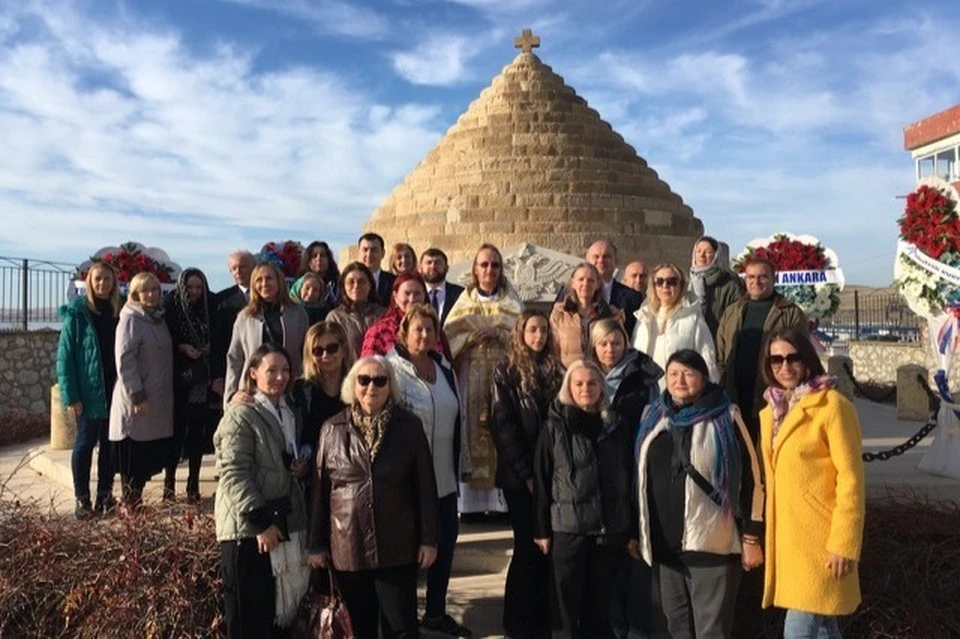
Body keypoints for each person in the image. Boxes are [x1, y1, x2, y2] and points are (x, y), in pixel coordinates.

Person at [635, 349, 764, 639]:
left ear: (704, 378)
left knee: (711, 632)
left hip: (710, 546)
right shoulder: (654, 415)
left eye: (689, 373)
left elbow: (753, 479)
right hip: (666, 549)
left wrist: (752, 534)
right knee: (676, 629)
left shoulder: (726, 417)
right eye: (673, 373)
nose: (680, 380)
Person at [307, 356, 440, 639]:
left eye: (380, 380)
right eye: (363, 380)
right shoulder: (332, 429)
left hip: (396, 546)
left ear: (390, 386)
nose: (371, 387)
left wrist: (429, 538)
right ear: (352, 385)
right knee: (359, 629)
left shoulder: (410, 427)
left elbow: (425, 487)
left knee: (402, 628)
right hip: (349, 548)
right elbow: (320, 491)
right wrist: (315, 544)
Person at [759, 328, 865, 639]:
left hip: (822, 541)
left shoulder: (832, 406)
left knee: (799, 629)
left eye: (793, 358)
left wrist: (844, 542)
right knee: (823, 628)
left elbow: (851, 479)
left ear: (807, 360)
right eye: (776, 359)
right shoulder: (770, 413)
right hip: (789, 541)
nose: (785, 366)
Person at [533, 359, 635, 639]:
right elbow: (542, 480)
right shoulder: (554, 427)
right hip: (569, 529)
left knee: (599, 609)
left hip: (606, 530)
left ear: (602, 387)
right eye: (578, 383)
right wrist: (541, 529)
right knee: (565, 608)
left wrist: (631, 527)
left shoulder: (616, 426)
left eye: (592, 383)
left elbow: (628, 475)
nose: (585, 389)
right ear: (569, 388)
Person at [387, 305, 472, 637]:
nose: (424, 335)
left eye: (430, 330)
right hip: (405, 483)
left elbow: (456, 417)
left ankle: (436, 613)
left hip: (444, 479)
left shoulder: (444, 368)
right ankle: (405, 621)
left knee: (445, 547)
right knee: (407, 556)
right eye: (417, 329)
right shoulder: (390, 369)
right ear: (404, 333)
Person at [214, 343, 311, 637]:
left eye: (285, 370)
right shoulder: (241, 414)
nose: (280, 377)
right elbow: (232, 471)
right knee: (248, 621)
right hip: (248, 532)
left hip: (281, 523)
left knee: (276, 618)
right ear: (253, 374)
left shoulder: (289, 411)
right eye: (272, 370)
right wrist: (259, 522)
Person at [490, 309, 564, 639]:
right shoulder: (505, 372)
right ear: (521, 332)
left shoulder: (555, 371)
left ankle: (543, 617)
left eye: (543, 330)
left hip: (551, 473)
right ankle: (517, 622)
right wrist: (526, 472)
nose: (538, 336)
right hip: (520, 476)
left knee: (547, 546)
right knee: (526, 546)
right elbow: (503, 425)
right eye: (532, 330)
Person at [589, 318, 663, 639]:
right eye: (603, 343)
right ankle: (613, 624)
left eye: (615, 342)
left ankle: (637, 627)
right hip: (597, 477)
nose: (609, 349)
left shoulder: (642, 376)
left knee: (633, 552)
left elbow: (654, 419)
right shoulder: (586, 376)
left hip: (633, 469)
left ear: (625, 343)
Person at [444, 243, 524, 514]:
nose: (490, 270)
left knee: (503, 431)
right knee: (473, 431)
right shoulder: (464, 304)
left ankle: (501, 503)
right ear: (475, 270)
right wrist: (469, 339)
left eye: (495, 265)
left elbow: (525, 337)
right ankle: (472, 505)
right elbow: (448, 337)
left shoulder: (513, 304)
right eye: (484, 265)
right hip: (472, 378)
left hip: (504, 379)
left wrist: (500, 335)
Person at [716, 257, 807, 441]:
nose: (755, 282)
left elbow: (801, 358)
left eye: (762, 277)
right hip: (736, 398)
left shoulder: (790, 313)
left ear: (773, 279)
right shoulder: (732, 312)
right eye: (750, 277)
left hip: (774, 399)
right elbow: (720, 355)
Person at [57, 261, 121, 519]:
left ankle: (105, 496)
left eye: (107, 279)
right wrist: (71, 396)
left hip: (114, 392)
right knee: (84, 445)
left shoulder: (120, 311)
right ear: (90, 282)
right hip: (89, 393)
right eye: (97, 279)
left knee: (109, 448)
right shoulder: (78, 314)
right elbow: (65, 357)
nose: (102, 283)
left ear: (114, 282)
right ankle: (82, 499)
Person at [109, 272, 174, 512]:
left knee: (146, 458)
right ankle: (130, 504)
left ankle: (135, 502)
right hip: (137, 400)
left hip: (157, 401)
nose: (151, 295)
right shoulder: (130, 319)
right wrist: (136, 394)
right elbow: (125, 360)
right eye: (145, 291)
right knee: (133, 458)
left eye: (155, 290)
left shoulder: (157, 318)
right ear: (136, 294)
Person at [164, 267, 218, 503]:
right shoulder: (171, 306)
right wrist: (182, 347)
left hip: (201, 382)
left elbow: (219, 335)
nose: (195, 292)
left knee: (197, 434)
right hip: (178, 379)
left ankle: (193, 485)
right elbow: (166, 338)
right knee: (175, 435)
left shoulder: (210, 307)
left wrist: (209, 348)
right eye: (191, 287)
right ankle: (168, 486)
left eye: (199, 287)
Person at [224, 262, 310, 405]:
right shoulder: (245, 317)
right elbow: (234, 358)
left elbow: (306, 354)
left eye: (269, 278)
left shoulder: (298, 313)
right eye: (259, 280)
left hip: (289, 390)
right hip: (253, 393)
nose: (264, 283)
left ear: (279, 281)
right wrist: (231, 394)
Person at [631, 263, 718, 389]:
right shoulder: (644, 316)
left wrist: (711, 390)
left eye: (671, 281)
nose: (665, 286)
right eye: (659, 281)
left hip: (681, 390)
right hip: (648, 391)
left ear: (681, 285)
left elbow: (707, 357)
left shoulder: (692, 317)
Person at [551, 263, 620, 368]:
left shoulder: (609, 314)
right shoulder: (560, 314)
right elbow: (552, 348)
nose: (586, 284)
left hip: (601, 377)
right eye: (581, 279)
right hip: (569, 377)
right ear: (573, 283)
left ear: (597, 284)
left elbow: (620, 348)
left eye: (591, 280)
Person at [212, 250, 255, 398]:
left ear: (253, 267)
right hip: (234, 369)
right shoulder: (222, 300)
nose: (238, 271)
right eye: (234, 268)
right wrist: (218, 376)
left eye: (243, 267)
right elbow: (218, 340)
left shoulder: (267, 295)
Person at [361, 271, 431, 357]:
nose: (412, 299)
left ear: (424, 296)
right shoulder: (379, 331)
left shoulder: (432, 327)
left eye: (417, 294)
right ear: (395, 297)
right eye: (407, 293)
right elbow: (368, 366)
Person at [689, 236, 745, 339]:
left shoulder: (729, 285)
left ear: (716, 255)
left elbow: (737, 317)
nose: (702, 255)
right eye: (698, 251)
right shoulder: (686, 282)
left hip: (717, 341)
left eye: (708, 252)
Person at [326, 262, 385, 358]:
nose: (356, 286)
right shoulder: (335, 318)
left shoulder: (383, 314)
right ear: (343, 286)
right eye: (351, 282)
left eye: (362, 281)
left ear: (370, 285)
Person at [585, 240, 642, 334]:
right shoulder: (569, 294)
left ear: (615, 261)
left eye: (606, 256)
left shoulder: (633, 297)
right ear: (587, 261)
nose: (601, 260)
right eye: (596, 256)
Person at [419, 247, 464, 325]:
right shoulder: (415, 294)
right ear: (420, 268)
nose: (433, 266)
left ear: (446, 268)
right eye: (428, 262)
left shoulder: (460, 294)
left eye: (438, 262)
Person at [358, 232, 396, 306]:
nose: (369, 254)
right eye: (365, 250)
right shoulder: (348, 282)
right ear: (359, 252)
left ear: (383, 253)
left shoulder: (394, 282)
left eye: (374, 250)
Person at [299, 240, 339, 306]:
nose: (319, 259)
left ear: (328, 260)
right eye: (314, 256)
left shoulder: (338, 285)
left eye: (323, 255)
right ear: (308, 261)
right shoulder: (299, 284)